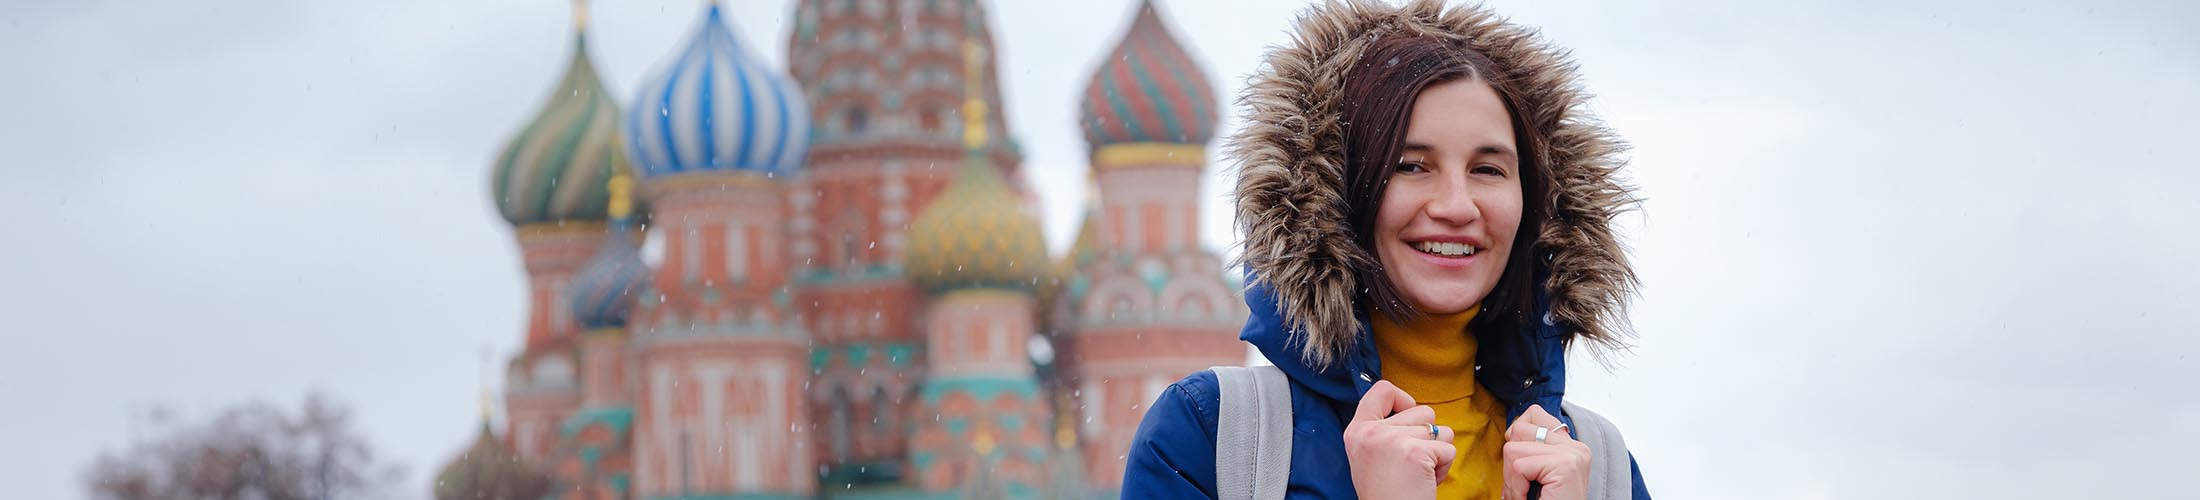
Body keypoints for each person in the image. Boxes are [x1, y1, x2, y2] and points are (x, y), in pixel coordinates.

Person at [1119, 1, 1649, 499]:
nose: (1457, 206)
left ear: (1532, 203)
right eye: (1411, 165)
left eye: (1488, 169)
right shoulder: (1217, 438)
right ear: (1338, 192)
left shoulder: (1595, 469)